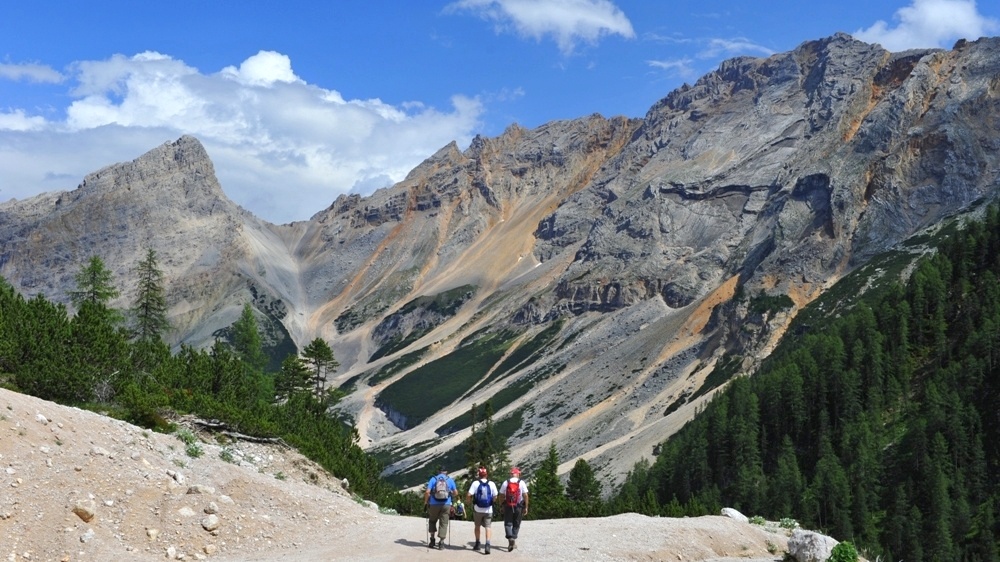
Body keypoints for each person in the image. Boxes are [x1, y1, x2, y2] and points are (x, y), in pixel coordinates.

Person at [424, 465, 459, 549]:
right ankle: (441, 543)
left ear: (438, 471)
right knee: (444, 523)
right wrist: (450, 494)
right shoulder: (449, 480)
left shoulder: (433, 479)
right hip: (446, 504)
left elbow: (427, 492)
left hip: (434, 504)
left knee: (432, 521)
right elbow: (456, 493)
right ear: (446, 472)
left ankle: (432, 540)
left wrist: (426, 502)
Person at [466, 466, 498, 554]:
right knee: (488, 527)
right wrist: (492, 501)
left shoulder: (475, 483)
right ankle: (487, 544)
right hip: (488, 509)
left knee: (477, 526)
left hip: (478, 509)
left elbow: (469, 494)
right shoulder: (491, 483)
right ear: (486, 474)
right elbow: (495, 496)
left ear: (479, 475)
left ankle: (477, 543)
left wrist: (468, 502)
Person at [498, 466, 529, 552]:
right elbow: (525, 495)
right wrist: (526, 506)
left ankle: (510, 539)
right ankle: (513, 539)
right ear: (518, 474)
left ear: (511, 474)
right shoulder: (521, 482)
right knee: (516, 523)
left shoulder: (506, 482)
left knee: (508, 523)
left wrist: (501, 505)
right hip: (518, 506)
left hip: (508, 505)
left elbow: (501, 495)